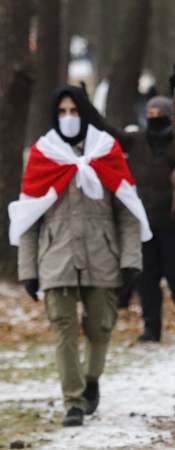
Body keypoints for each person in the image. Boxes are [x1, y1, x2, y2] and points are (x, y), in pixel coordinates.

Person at [12, 86, 145, 427]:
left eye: (74, 111)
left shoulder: (106, 151)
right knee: (64, 330)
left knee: (101, 328)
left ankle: (91, 380)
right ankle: (73, 401)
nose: (68, 118)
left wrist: (131, 259)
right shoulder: (44, 155)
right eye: (62, 112)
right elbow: (28, 218)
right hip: (56, 258)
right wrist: (28, 269)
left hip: (103, 255)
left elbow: (128, 210)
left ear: (85, 113)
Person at [124, 96, 175, 343]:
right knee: (147, 278)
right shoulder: (137, 142)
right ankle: (151, 327)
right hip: (144, 225)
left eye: (160, 114)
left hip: (173, 223)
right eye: (150, 114)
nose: (155, 119)